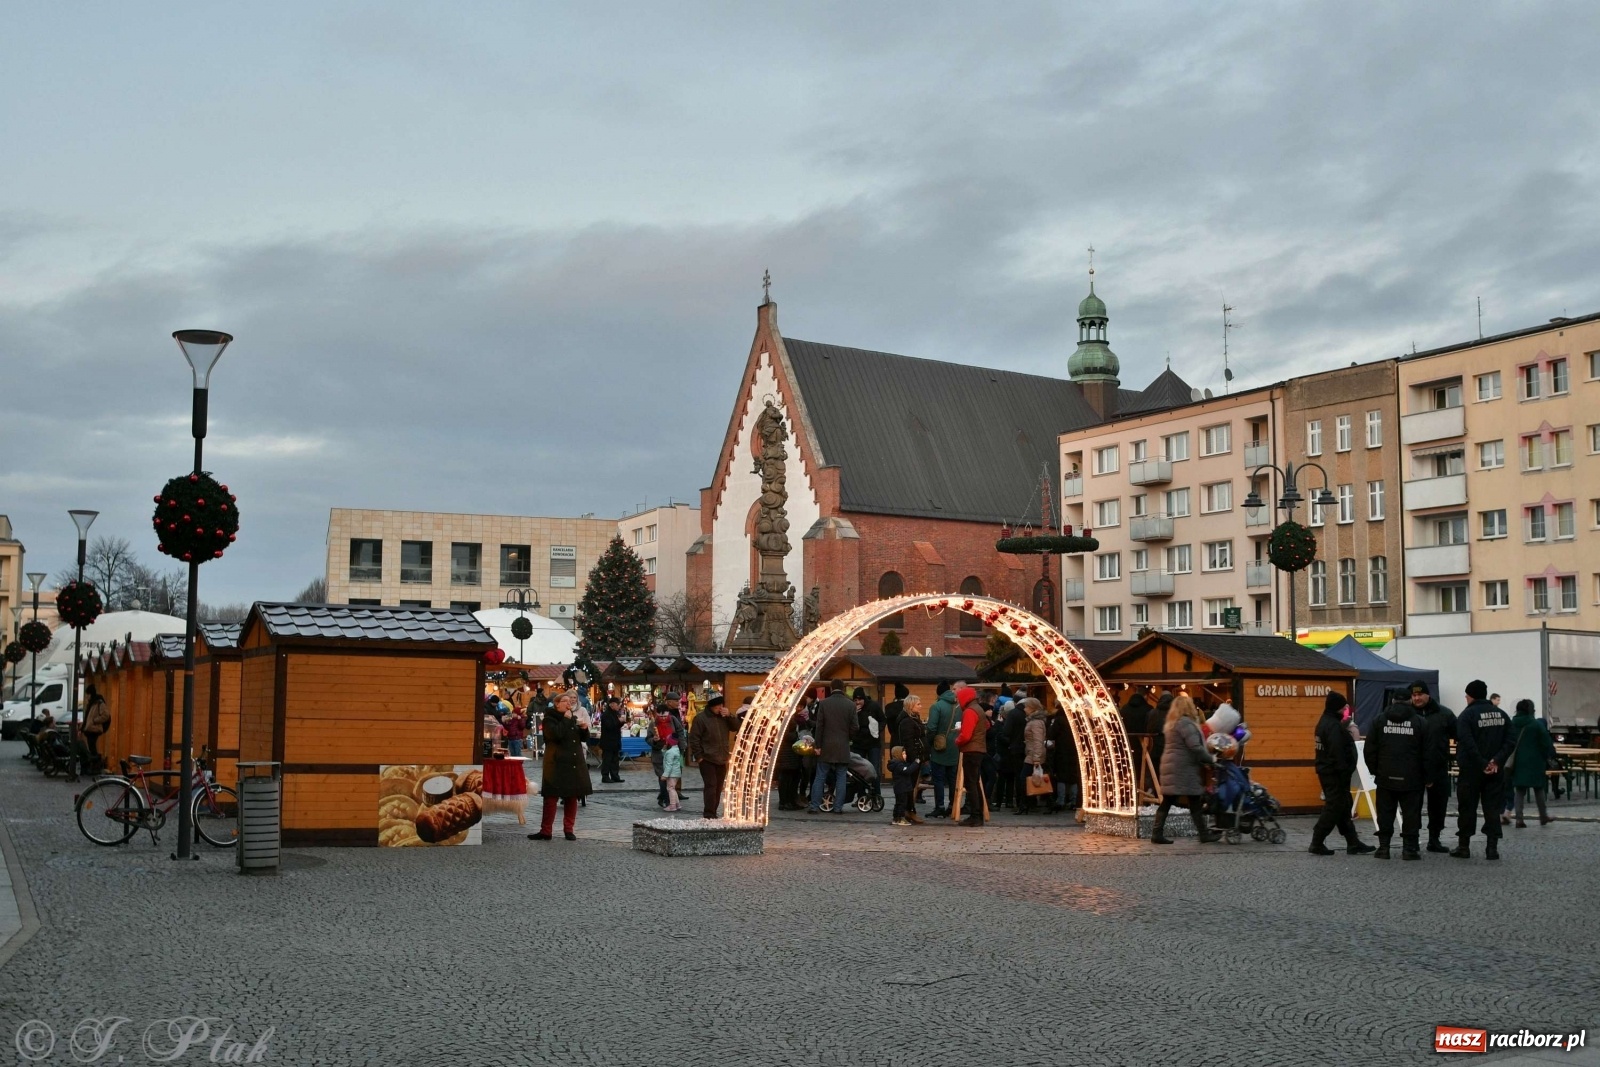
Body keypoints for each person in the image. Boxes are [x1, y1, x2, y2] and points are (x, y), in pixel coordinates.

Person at [1365, 684, 1428, 860]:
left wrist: (1375, 770)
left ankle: (1383, 848)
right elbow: (1428, 752)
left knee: (1385, 813)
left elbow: (1369, 749)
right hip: (1412, 778)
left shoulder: (1379, 720)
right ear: (1410, 701)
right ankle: (1409, 850)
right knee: (1411, 815)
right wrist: (1426, 775)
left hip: (1385, 776)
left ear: (1393, 701)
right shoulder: (1420, 722)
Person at [1453, 679, 1514, 860]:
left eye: (1466, 695)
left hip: (1471, 770)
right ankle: (1492, 848)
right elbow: (1510, 741)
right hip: (1495, 771)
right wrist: (1496, 761)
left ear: (1470, 696)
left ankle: (1464, 847)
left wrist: (1481, 763)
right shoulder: (1501, 715)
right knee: (1492, 808)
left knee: (1467, 808)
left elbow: (1467, 742)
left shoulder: (1466, 715)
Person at [1308, 692, 1376, 855]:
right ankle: (1317, 841)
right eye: (1345, 707)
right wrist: (1344, 771)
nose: (1347, 710)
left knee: (1343, 806)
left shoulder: (1326, 722)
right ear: (1337, 708)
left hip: (1330, 771)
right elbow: (1337, 752)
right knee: (1334, 807)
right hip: (1335, 774)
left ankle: (1352, 842)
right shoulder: (1333, 726)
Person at [1151, 694, 1220, 845]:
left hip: (1172, 765)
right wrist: (1211, 759)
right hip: (1183, 767)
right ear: (1188, 707)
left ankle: (1157, 833)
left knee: (1169, 800)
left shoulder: (1172, 723)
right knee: (1194, 799)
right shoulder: (1186, 724)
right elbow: (1195, 746)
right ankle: (1203, 834)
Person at [528, 692, 592, 841]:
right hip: (556, 764)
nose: (569, 703)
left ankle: (569, 829)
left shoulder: (572, 718)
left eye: (570, 701)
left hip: (573, 763)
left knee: (572, 797)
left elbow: (582, 738)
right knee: (551, 799)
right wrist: (566, 719)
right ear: (557, 704)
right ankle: (546, 831)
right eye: (565, 701)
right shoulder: (549, 719)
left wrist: (584, 729)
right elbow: (555, 735)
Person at [1410, 682, 1457, 853]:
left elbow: (1458, 734)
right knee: (1412, 806)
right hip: (1413, 768)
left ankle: (1434, 838)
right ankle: (1412, 839)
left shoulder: (1444, 714)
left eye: (1420, 695)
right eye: (1414, 695)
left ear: (1428, 695)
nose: (1416, 698)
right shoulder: (1406, 714)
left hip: (1438, 767)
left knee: (1438, 805)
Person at [1507, 698, 1557, 828]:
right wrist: (1550, 755)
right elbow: (1546, 744)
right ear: (1530, 710)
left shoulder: (1511, 724)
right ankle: (1543, 816)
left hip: (1517, 761)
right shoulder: (1536, 725)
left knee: (1519, 790)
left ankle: (1519, 819)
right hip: (1535, 762)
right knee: (1539, 788)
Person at [688, 694, 739, 819]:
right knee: (711, 786)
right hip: (707, 759)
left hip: (722, 758)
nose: (720, 708)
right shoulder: (701, 719)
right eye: (717, 706)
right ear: (711, 706)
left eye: (722, 705)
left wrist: (730, 715)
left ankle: (713, 812)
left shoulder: (724, 717)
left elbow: (737, 727)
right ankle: (709, 814)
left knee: (718, 787)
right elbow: (694, 738)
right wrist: (699, 756)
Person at [808, 682, 856, 814]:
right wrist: (848, 737)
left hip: (826, 746)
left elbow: (820, 727)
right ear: (843, 689)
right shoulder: (851, 705)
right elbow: (855, 727)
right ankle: (838, 807)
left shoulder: (824, 704)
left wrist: (818, 745)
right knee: (841, 777)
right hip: (843, 746)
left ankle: (815, 806)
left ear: (831, 688)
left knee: (820, 776)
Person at [925, 682, 960, 818]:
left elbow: (932, 728)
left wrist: (930, 742)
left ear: (938, 693)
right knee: (952, 778)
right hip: (955, 745)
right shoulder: (959, 706)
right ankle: (952, 805)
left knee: (938, 778)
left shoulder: (937, 706)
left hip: (940, 746)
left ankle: (939, 806)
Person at [891, 694, 927, 825]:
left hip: (916, 756)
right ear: (911, 705)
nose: (921, 706)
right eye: (918, 704)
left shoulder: (913, 719)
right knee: (908, 786)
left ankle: (909, 810)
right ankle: (907, 811)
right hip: (911, 758)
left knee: (911, 786)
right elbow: (908, 742)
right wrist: (915, 760)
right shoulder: (907, 721)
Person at [955, 686, 988, 827]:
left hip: (971, 750)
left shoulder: (969, 711)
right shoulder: (978, 708)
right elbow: (986, 725)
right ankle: (978, 814)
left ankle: (975, 816)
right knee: (975, 783)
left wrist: (957, 740)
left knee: (971, 784)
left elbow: (966, 735)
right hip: (979, 749)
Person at [1046, 703, 1080, 813]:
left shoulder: (1059, 720)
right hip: (1075, 750)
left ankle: (1061, 800)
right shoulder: (1076, 719)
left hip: (1062, 751)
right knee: (1073, 776)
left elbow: (1051, 734)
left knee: (1061, 776)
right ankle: (1074, 800)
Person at [1019, 698, 1049, 814]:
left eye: (1026, 707)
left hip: (1033, 755)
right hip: (1032, 753)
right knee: (1031, 779)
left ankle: (1026, 805)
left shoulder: (1035, 722)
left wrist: (1036, 758)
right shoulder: (1034, 721)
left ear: (1032, 708)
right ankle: (1029, 804)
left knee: (1025, 779)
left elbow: (1038, 740)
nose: (1024, 709)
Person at [852, 687, 886, 776]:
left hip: (873, 742)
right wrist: (854, 714)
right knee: (858, 768)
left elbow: (883, 720)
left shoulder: (874, 706)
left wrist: (878, 730)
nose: (857, 702)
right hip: (858, 742)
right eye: (855, 700)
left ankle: (875, 789)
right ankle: (861, 789)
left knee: (874, 768)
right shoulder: (852, 709)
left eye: (859, 699)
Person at [81, 684, 109, 770]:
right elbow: (87, 717)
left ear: (91, 694)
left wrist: (95, 721)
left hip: (94, 729)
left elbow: (106, 715)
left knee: (92, 748)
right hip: (90, 729)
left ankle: (98, 764)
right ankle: (95, 764)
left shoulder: (98, 703)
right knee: (91, 747)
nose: (86, 697)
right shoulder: (91, 703)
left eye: (88, 695)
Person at [598, 697, 624, 783]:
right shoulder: (606, 714)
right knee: (607, 760)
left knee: (615, 760)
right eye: (617, 705)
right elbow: (609, 726)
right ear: (612, 704)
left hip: (615, 741)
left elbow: (615, 726)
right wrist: (619, 721)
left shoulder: (615, 713)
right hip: (608, 741)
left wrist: (621, 722)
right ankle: (605, 776)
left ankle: (615, 776)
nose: (619, 707)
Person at [661, 735, 684, 811]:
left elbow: (669, 765)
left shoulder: (670, 752)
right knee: (673, 789)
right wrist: (664, 751)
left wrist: (665, 775)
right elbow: (667, 756)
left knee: (670, 789)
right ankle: (677, 804)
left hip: (672, 774)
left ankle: (672, 805)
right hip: (676, 773)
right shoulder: (675, 750)